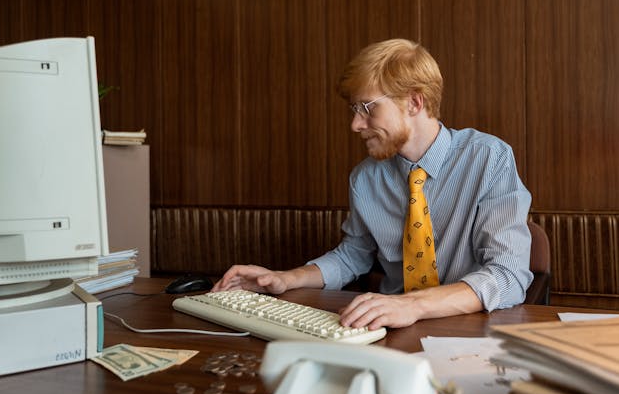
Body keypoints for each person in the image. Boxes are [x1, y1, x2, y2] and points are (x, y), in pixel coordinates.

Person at [213, 38, 533, 330]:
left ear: (414, 103)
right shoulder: (365, 178)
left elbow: (508, 275)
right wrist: (286, 279)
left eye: (367, 108)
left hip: (470, 332)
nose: (355, 124)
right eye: (354, 109)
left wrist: (412, 305)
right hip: (388, 329)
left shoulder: (490, 158)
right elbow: (353, 256)